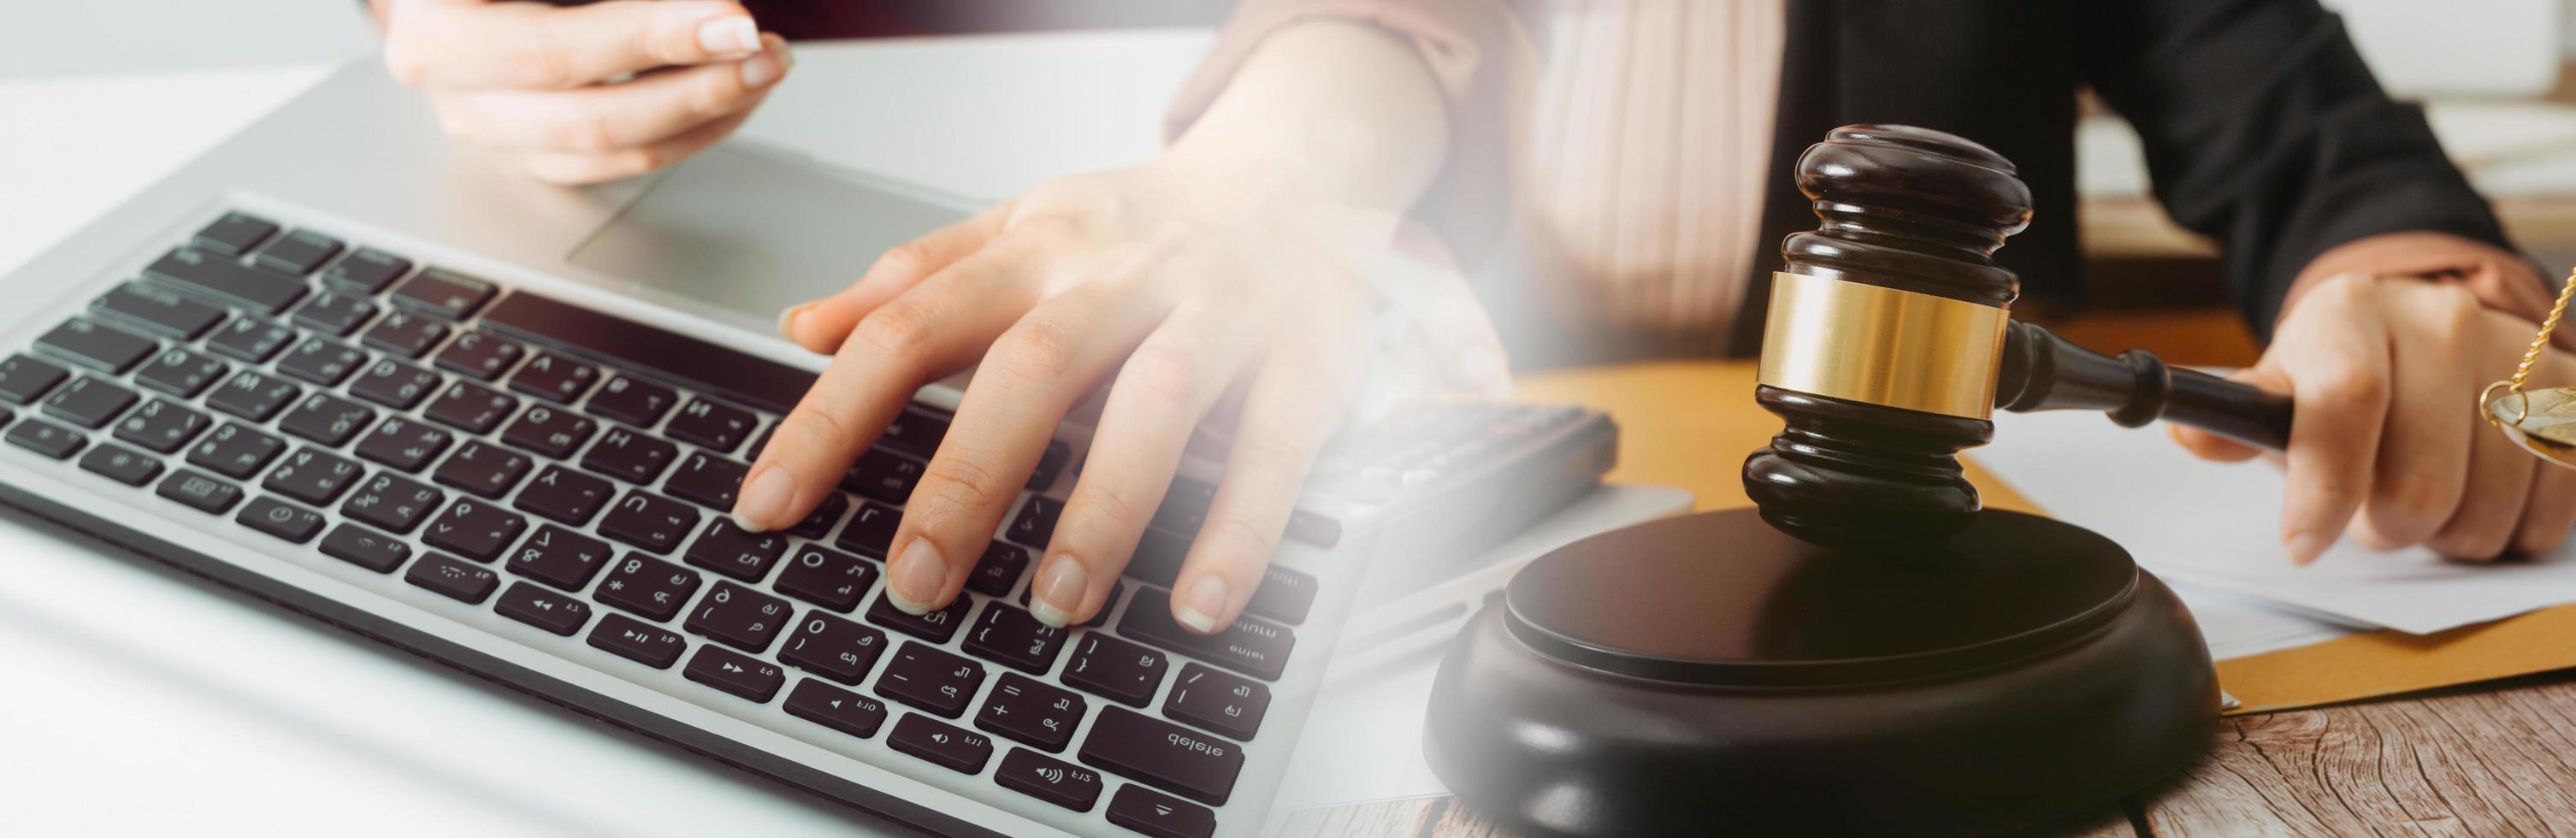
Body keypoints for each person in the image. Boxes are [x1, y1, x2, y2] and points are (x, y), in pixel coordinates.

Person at [371, 0, 2572, 639]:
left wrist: (2424, 302)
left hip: (1844, 623)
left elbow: (2321, 145)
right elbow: (1366, 51)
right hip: (1386, 562)